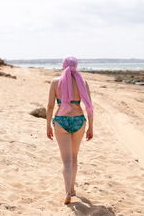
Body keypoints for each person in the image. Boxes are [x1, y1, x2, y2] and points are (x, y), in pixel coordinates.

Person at [45, 56, 94, 205]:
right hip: (79, 120)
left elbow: (50, 106)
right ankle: (72, 189)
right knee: (74, 157)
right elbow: (89, 107)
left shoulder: (55, 82)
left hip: (61, 120)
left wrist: (48, 125)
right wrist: (91, 127)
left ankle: (67, 192)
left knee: (66, 160)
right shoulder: (83, 82)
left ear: (63, 66)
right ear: (76, 66)